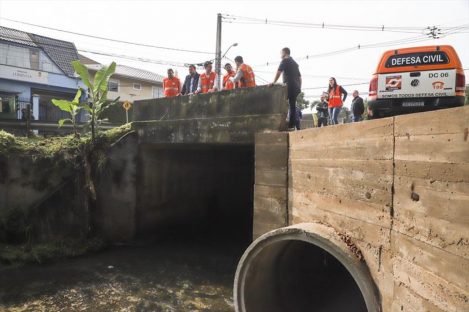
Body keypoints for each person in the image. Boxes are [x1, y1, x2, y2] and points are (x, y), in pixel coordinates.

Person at [269, 47, 302, 130]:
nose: (280, 55)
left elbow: (279, 71)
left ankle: (278, 123)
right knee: (292, 106)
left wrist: (273, 82)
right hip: (296, 87)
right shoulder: (294, 63)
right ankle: (291, 126)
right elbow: (300, 77)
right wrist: (299, 88)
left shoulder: (285, 60)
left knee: (278, 102)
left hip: (289, 85)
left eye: (281, 53)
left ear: (285, 53)